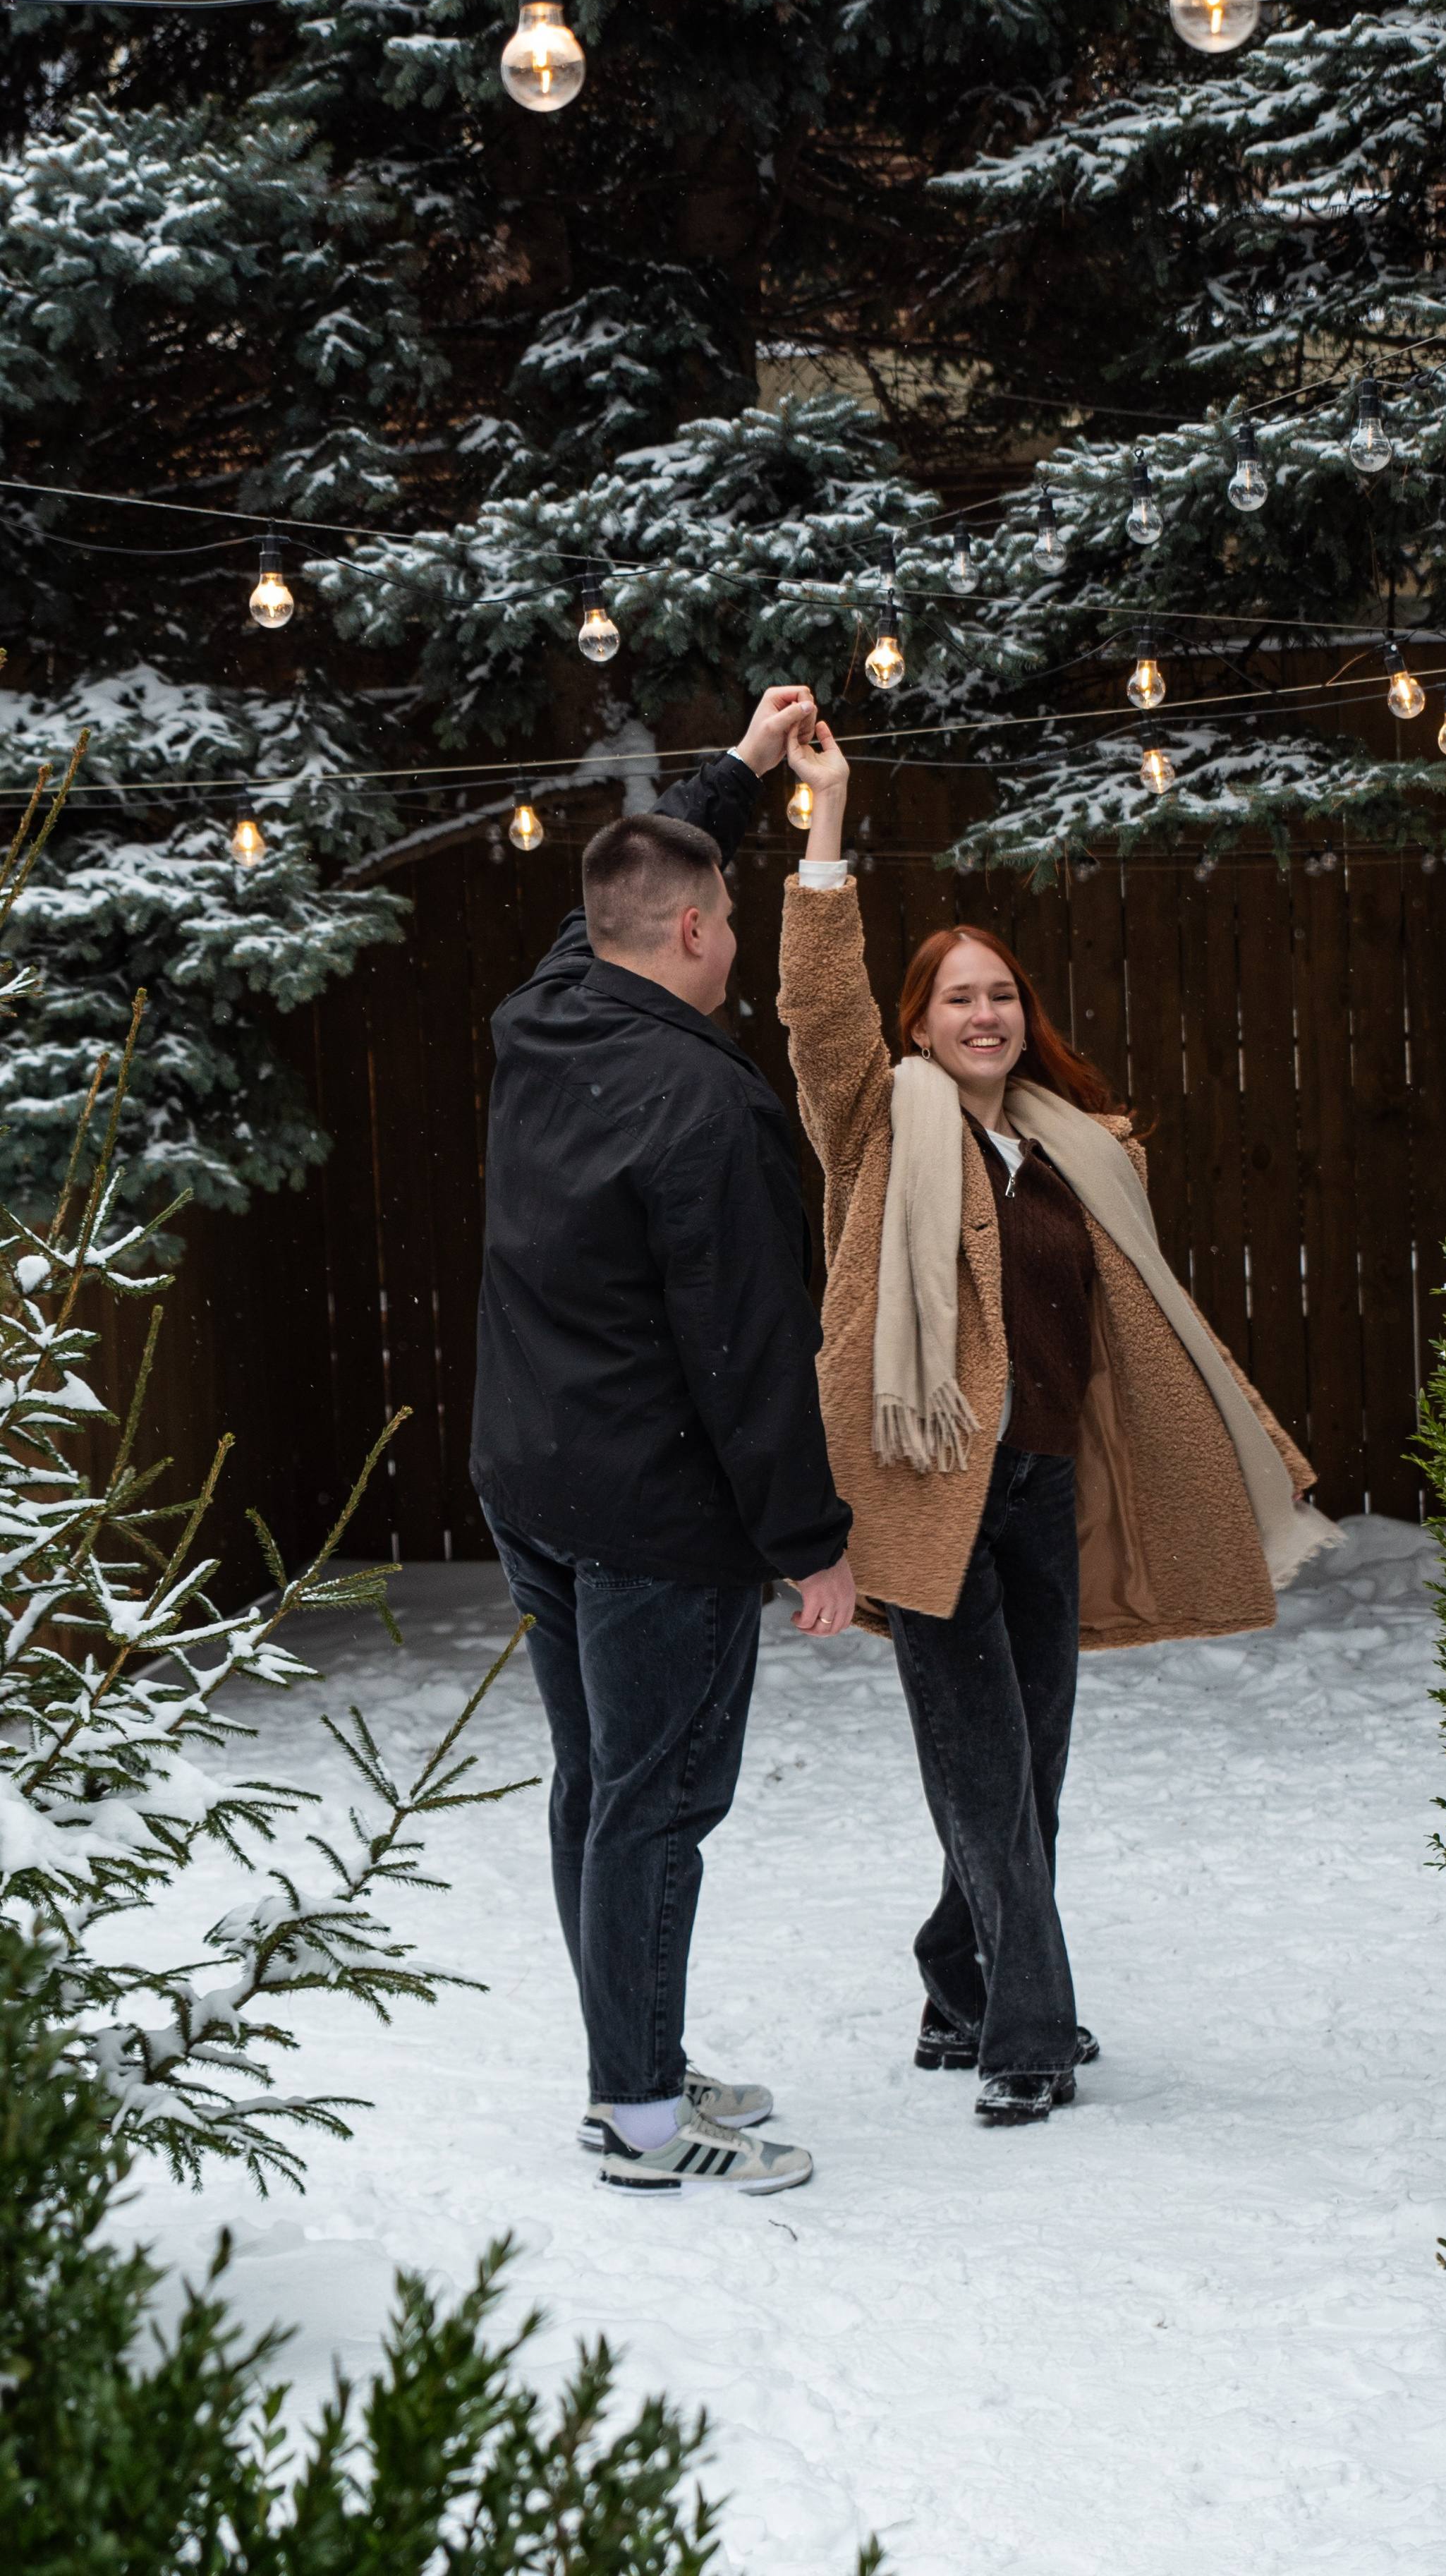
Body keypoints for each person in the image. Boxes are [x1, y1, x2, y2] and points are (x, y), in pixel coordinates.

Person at [777, 718, 1338, 2127]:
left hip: (1037, 1493)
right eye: (956, 999)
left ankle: (949, 1974)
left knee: (1029, 1764)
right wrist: (826, 824)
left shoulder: (1069, 1151)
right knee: (979, 1761)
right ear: (913, 1022)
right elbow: (812, 1004)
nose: (982, 1016)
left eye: (999, 998)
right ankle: (1026, 2035)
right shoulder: (875, 1121)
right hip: (924, 1493)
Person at [471, 687, 858, 2198]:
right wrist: (810, 1541)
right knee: (653, 1803)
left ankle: (630, 2055)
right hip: (653, 1521)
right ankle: (637, 2114)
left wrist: (742, 773)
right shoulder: (709, 1104)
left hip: (535, 1487)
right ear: (695, 934)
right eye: (727, 915)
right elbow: (750, 1361)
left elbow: (628, 884)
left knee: (596, 1783)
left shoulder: (544, 1012)